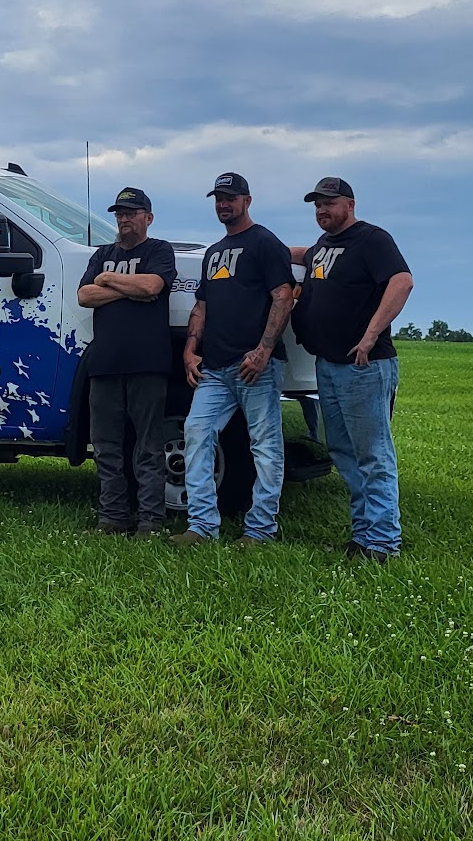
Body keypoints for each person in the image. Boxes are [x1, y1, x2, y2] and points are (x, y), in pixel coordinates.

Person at [291, 176, 414, 562]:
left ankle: (384, 542)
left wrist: (370, 335)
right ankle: (364, 536)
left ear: (350, 204)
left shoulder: (372, 239)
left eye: (329, 203)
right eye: (317, 205)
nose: (322, 210)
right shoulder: (324, 246)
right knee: (344, 452)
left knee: (372, 454)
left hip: (364, 366)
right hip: (328, 365)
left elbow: (402, 282)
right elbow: (302, 254)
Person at [176, 172, 295, 548]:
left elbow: (283, 296)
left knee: (265, 446)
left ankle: (259, 530)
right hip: (214, 368)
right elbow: (202, 304)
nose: (223, 204)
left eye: (230, 197)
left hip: (255, 367)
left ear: (247, 200)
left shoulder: (265, 243)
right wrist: (190, 348)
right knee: (196, 433)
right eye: (218, 199)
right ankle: (201, 526)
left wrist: (263, 350)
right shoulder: (213, 253)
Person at [77, 186, 178, 536]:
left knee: (148, 446)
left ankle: (150, 520)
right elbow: (84, 295)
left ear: (148, 218)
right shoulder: (102, 253)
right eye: (120, 214)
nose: (124, 219)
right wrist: (126, 289)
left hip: (147, 363)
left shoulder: (159, 250)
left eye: (131, 213)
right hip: (104, 363)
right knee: (106, 447)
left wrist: (108, 279)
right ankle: (112, 517)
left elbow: (152, 287)